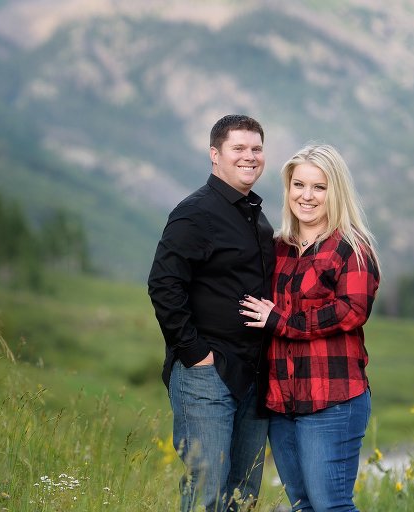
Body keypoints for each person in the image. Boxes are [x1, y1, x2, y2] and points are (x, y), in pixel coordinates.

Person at [239, 144, 380, 512]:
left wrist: (282, 322)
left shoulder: (351, 248)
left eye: (319, 187)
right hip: (282, 401)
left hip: (332, 399)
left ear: (336, 192)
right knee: (302, 506)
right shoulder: (278, 247)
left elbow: (351, 311)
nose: (307, 196)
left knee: (330, 505)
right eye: (298, 185)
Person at [148, 114, 275, 511]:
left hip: (253, 376)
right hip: (209, 376)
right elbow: (163, 285)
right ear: (215, 155)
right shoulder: (195, 213)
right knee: (206, 494)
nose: (249, 156)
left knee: (242, 495)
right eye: (239, 148)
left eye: (256, 148)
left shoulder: (254, 215)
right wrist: (195, 354)